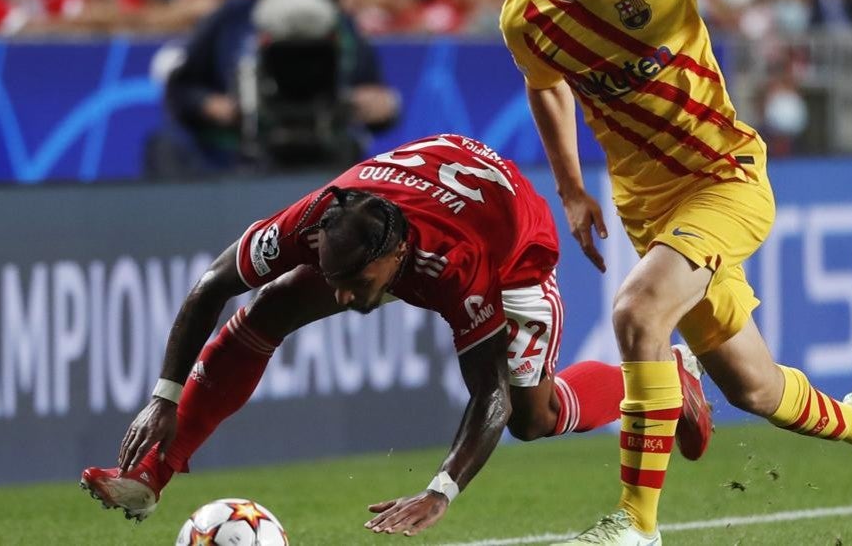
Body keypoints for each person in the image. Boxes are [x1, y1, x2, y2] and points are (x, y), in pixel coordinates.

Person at [493, 0, 852, 544]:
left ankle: (636, 527)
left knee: (638, 312)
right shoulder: (524, 14)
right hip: (648, 210)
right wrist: (573, 188)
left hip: (724, 178)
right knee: (754, 389)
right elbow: (545, 83)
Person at [80, 133, 710, 536]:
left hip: (514, 244)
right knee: (270, 307)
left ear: (396, 256)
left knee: (529, 416)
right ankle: (152, 475)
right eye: (334, 276)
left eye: (355, 282)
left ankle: (671, 380)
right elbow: (213, 286)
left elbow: (486, 390)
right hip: (427, 182)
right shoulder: (318, 218)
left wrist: (441, 491)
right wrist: (163, 395)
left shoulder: (461, 266)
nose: (344, 294)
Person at [154, 0, 401, 175]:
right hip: (242, 156)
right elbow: (181, 89)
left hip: (327, 154)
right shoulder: (232, 17)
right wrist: (211, 105)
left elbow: (375, 96)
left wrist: (378, 105)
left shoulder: (342, 24)